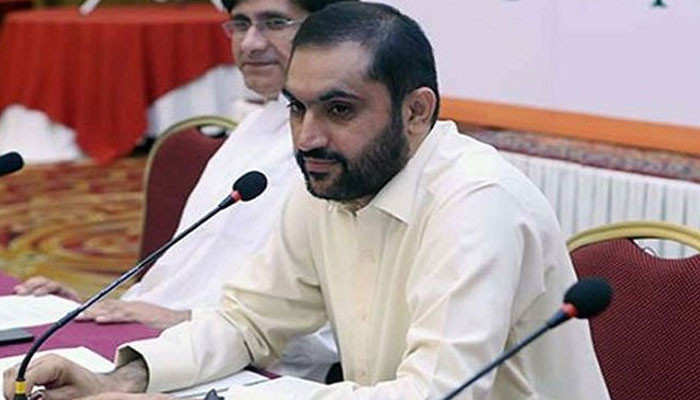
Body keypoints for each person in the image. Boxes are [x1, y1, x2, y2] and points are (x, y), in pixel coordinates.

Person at [3, 3, 610, 399]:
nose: (307, 137)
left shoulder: (477, 204)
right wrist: (120, 379)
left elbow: (434, 394)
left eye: (339, 109)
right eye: (298, 108)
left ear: (416, 111)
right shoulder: (328, 182)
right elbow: (246, 322)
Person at [10, 0, 355, 383]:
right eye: (240, 24)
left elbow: (341, 332)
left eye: (274, 23)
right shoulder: (252, 129)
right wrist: (91, 307)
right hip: (154, 341)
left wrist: (182, 319)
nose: (250, 43)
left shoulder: (343, 154)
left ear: (327, 31)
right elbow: (185, 273)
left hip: (247, 372)